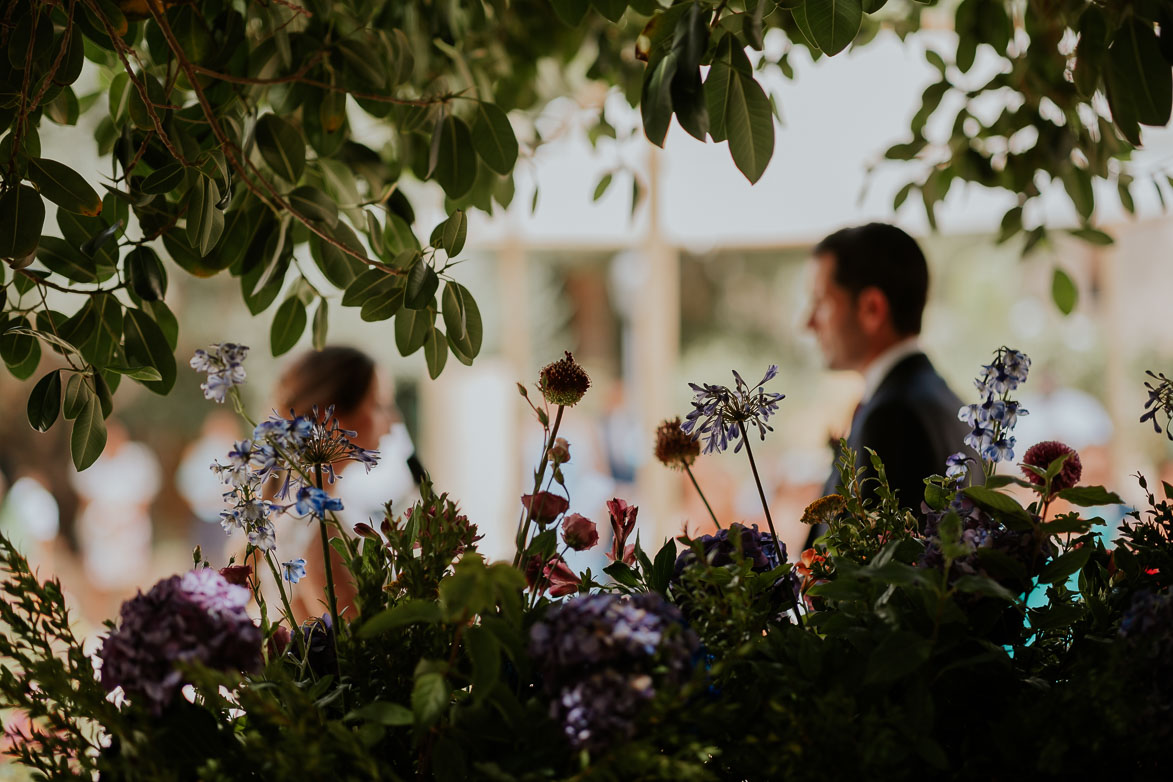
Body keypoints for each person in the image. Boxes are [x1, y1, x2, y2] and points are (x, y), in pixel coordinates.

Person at [804, 223, 970, 547]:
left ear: (872, 309)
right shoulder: (950, 403)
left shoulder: (893, 416)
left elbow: (868, 575)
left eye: (820, 302)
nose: (808, 323)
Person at [265, 346, 420, 620]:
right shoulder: (319, 532)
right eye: (379, 405)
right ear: (330, 416)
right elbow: (361, 645)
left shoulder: (308, 509)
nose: (393, 420)